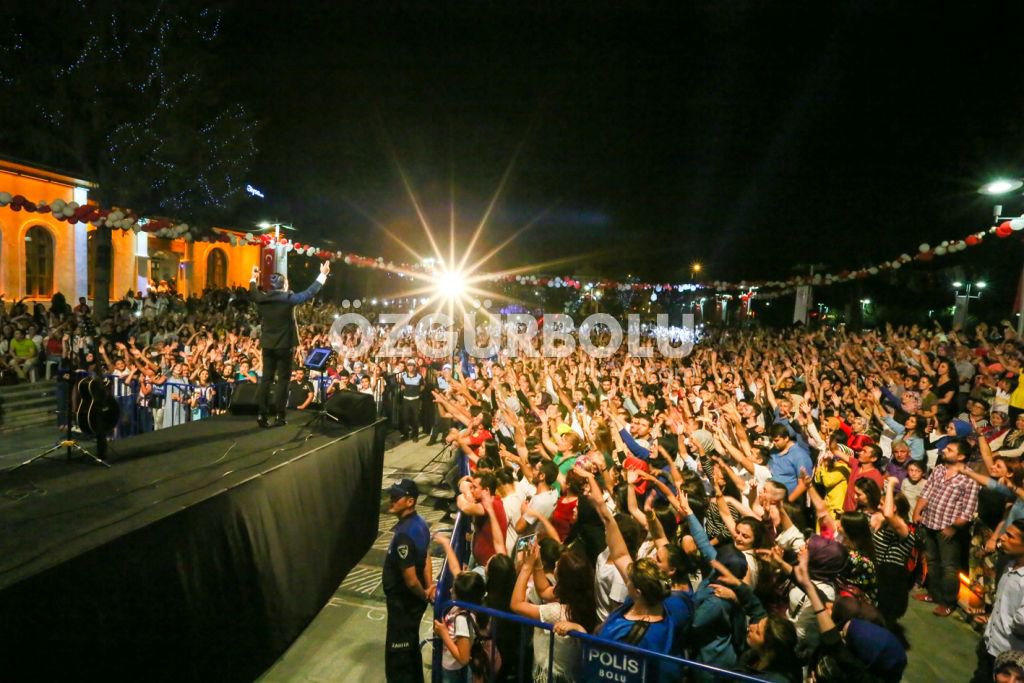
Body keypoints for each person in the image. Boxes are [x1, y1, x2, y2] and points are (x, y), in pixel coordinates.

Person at [248, 261, 329, 428]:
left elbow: (253, 291)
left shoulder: (262, 298)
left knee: (266, 380)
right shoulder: (288, 298)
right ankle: (280, 416)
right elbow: (309, 292)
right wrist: (323, 275)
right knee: (283, 381)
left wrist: (253, 278)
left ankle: (262, 415)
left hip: (268, 344)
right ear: (284, 284)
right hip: (284, 345)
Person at [383, 478, 435, 683]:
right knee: (411, 652)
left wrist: (423, 594)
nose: (391, 500)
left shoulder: (404, 534)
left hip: (403, 606)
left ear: (410, 501)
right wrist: (429, 586)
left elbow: (411, 580)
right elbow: (427, 556)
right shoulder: (420, 524)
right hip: (410, 604)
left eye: (396, 497)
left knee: (399, 660)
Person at [973, 519, 1024, 683]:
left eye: (1010, 536)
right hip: (990, 646)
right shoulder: (1010, 566)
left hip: (1009, 659)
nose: (1002, 538)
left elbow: (1021, 620)